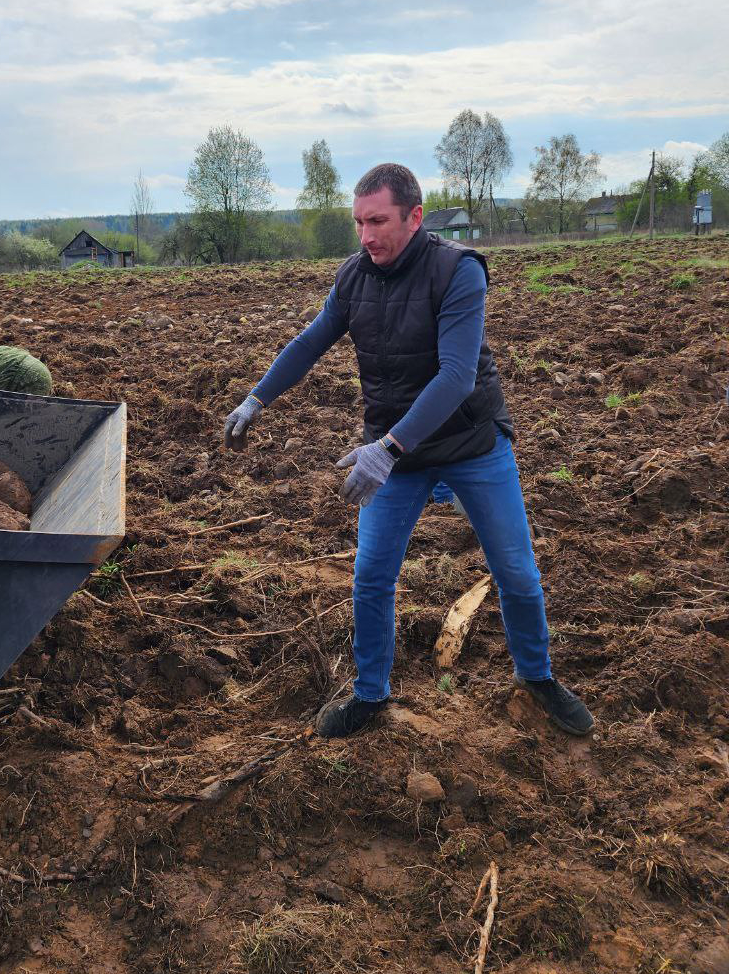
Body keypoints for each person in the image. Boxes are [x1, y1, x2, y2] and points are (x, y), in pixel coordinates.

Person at [224, 163, 593, 738]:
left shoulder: (458, 272)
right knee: (371, 574)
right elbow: (310, 342)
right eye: (358, 223)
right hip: (395, 451)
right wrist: (256, 398)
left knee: (516, 571)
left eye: (378, 221)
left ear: (415, 217)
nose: (366, 236)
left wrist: (387, 448)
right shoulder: (353, 278)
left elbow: (454, 376)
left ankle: (538, 677)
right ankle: (370, 693)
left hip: (470, 444)